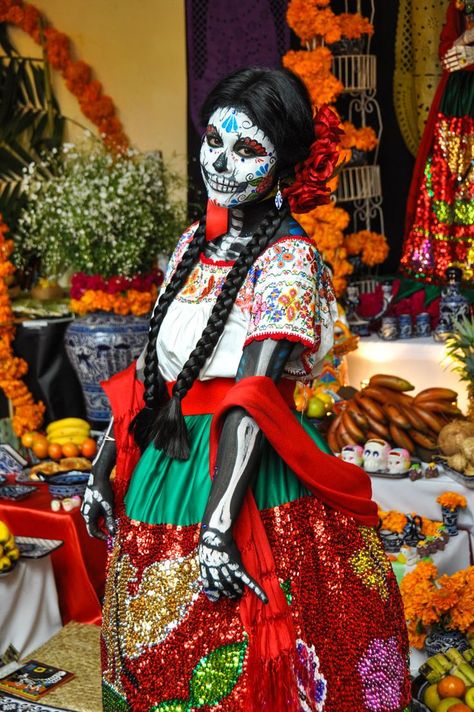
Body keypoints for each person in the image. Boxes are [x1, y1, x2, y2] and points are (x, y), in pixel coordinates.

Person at [82, 67, 411, 712]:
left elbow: (254, 397)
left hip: (249, 474)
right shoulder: (190, 247)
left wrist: (217, 527)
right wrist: (104, 464)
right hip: (167, 461)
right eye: (213, 139)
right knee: (158, 653)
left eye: (247, 149)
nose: (220, 163)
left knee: (257, 647)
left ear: (287, 167)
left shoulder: (287, 260)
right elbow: (152, 370)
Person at [400, 0, 474, 284]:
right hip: (457, 99)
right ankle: (451, 264)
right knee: (451, 179)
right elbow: (446, 51)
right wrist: (463, 41)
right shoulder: (457, 5)